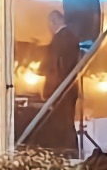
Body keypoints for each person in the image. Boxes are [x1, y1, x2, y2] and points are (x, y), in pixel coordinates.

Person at [34, 9, 81, 155]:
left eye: (49, 25)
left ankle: (66, 153)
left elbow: (57, 66)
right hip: (67, 89)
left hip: (61, 90)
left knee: (62, 123)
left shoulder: (61, 38)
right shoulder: (71, 37)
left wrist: (48, 85)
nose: (49, 29)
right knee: (66, 122)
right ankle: (69, 152)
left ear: (54, 22)